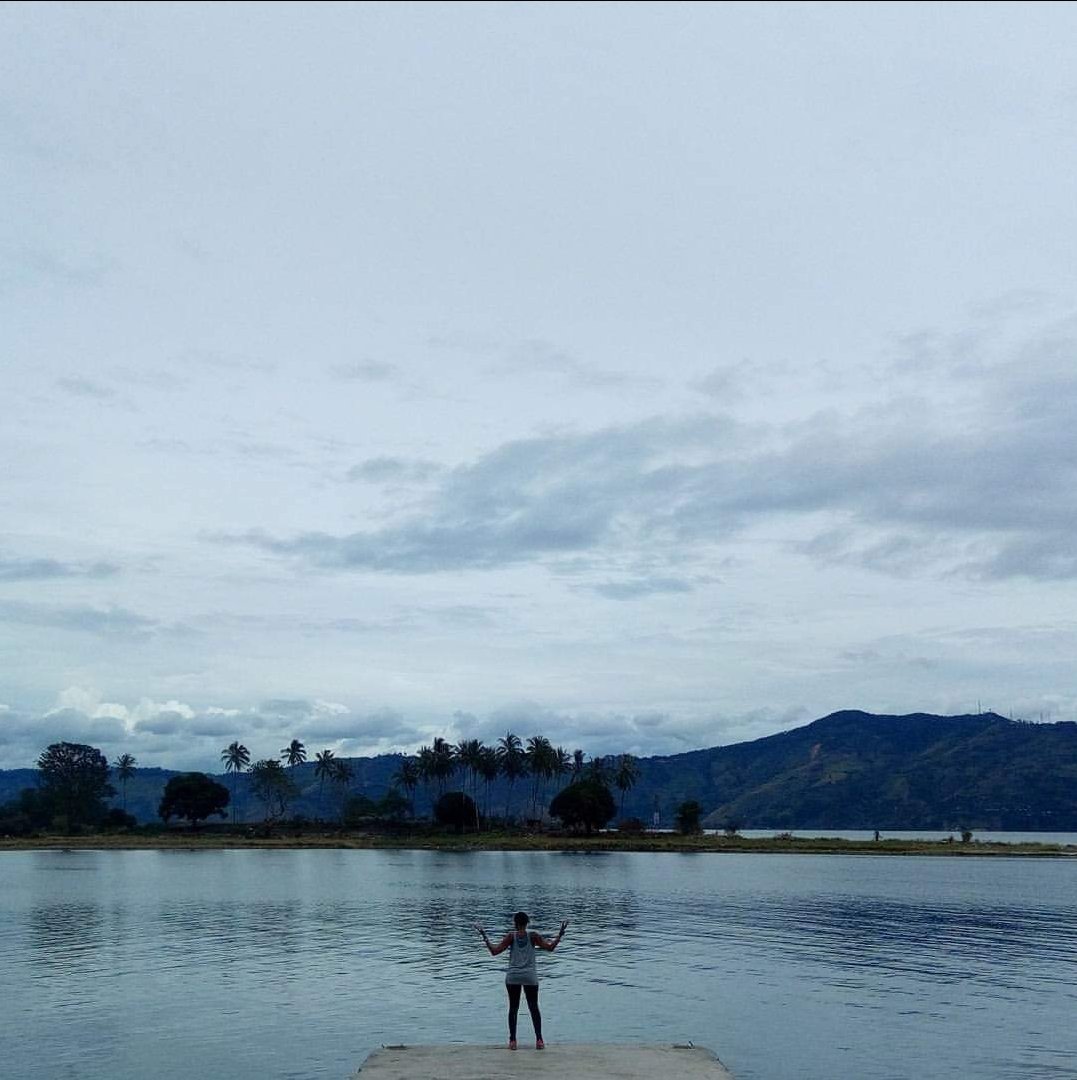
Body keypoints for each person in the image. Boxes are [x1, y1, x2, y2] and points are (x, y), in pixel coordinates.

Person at [474, 911, 568, 1050]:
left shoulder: (511, 936)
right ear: (527, 923)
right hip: (530, 976)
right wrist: (560, 935)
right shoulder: (533, 936)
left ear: (515, 923)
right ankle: (539, 1040)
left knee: (513, 1008)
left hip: (513, 976)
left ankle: (512, 1041)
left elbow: (494, 951)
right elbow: (550, 948)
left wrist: (484, 936)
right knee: (534, 1007)